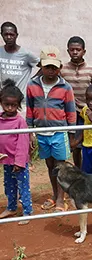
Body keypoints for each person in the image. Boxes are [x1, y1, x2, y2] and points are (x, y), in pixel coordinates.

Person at [26, 46, 76, 212]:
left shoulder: (65, 87)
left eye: (54, 67)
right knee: (49, 165)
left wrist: (71, 133)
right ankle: (55, 195)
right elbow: (30, 109)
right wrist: (29, 131)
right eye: (47, 67)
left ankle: (62, 199)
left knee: (60, 165)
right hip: (41, 133)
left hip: (59, 132)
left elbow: (70, 111)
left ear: (60, 67)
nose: (51, 71)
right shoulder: (32, 85)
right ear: (40, 66)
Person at [61, 36, 92, 169]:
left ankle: (88, 170)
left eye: (78, 49)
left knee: (88, 142)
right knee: (74, 145)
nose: (75, 52)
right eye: (72, 50)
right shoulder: (62, 70)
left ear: (84, 51)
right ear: (68, 51)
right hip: (69, 113)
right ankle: (78, 170)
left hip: (88, 112)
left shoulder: (91, 71)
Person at [0, 79, 32, 224]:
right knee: (9, 185)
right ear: (1, 103)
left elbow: (23, 144)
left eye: (14, 105)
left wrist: (19, 162)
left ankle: (27, 211)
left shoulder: (20, 122)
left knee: (23, 186)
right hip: (5, 160)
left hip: (19, 162)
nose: (10, 108)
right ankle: (11, 207)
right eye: (7, 104)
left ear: (18, 105)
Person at [0, 22, 39, 102]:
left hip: (22, 100)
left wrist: (32, 80)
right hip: (3, 99)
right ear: (1, 35)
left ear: (16, 35)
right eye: (6, 34)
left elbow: (43, 66)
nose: (9, 37)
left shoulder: (26, 54)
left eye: (11, 34)